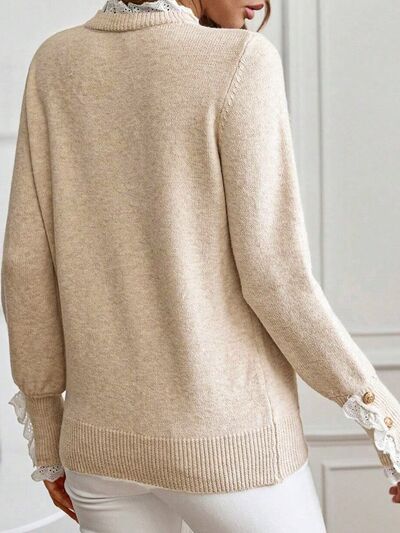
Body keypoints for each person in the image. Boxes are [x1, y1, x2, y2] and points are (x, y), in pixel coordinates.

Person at [2, 0, 400, 531]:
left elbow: (25, 264)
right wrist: (385, 420)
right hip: (230, 450)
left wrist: (49, 438)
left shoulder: (55, 61)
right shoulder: (241, 61)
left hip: (99, 455)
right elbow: (276, 279)